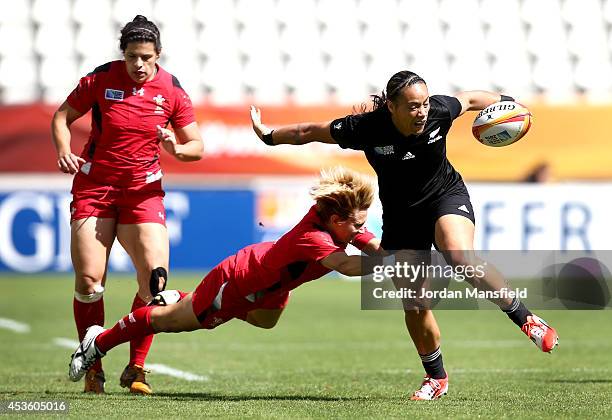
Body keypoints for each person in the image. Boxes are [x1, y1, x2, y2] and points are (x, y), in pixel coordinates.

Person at [249, 70, 559, 400]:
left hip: (446, 195)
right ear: (392, 107)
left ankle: (528, 321)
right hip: (401, 216)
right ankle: (436, 378)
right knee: (414, 302)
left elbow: (469, 99)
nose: (422, 111)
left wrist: (508, 103)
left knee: (459, 256)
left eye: (424, 104)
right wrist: (269, 136)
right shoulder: (365, 128)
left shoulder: (439, 111)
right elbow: (310, 131)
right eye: (412, 106)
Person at [68, 167, 382, 383]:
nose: (360, 230)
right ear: (337, 219)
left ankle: (183, 298)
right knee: (174, 322)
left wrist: (404, 258)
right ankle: (98, 342)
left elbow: (374, 247)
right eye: (356, 225)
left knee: (266, 321)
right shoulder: (313, 236)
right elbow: (347, 266)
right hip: (239, 281)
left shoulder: (338, 221)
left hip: (274, 286)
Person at [51, 15, 204, 395]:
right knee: (89, 282)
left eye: (146, 57)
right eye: (132, 56)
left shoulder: (172, 90)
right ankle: (93, 368)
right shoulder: (101, 79)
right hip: (95, 188)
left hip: (143, 192)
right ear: (124, 54)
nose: (138, 65)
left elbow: (196, 147)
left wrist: (176, 149)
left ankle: (136, 368)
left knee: (156, 282)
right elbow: (61, 117)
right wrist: (63, 150)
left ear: (158, 55)